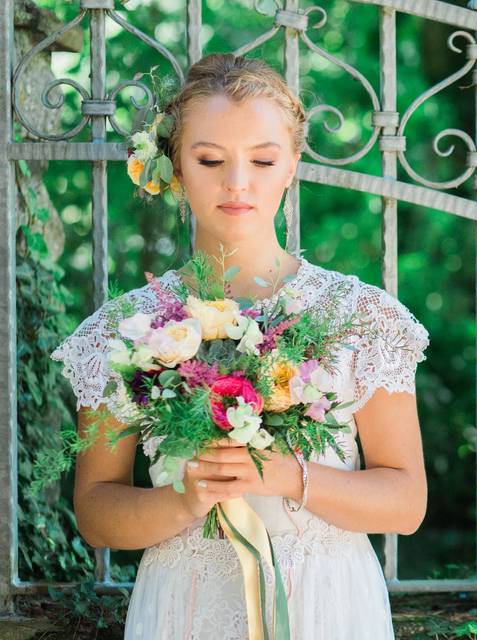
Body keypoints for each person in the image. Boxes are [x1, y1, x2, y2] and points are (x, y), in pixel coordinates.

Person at [50, 52, 429, 639]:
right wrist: (182, 500)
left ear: (293, 165)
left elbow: (406, 502)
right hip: (186, 606)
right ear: (175, 166)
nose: (237, 183)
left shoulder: (363, 317)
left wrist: (288, 475)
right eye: (210, 159)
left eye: (262, 159)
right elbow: (97, 514)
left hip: (328, 607)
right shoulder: (122, 331)